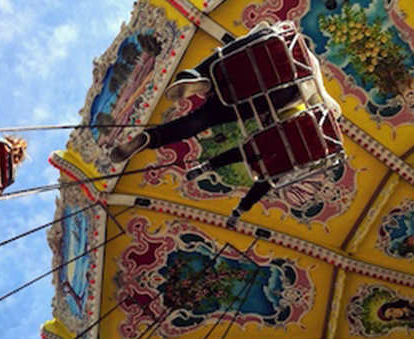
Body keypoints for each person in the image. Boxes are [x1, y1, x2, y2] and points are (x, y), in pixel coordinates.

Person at [109, 22, 340, 221]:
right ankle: (152, 139)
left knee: (218, 75)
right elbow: (331, 110)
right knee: (211, 121)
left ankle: (197, 78)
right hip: (271, 95)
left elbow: (252, 34)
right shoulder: (314, 80)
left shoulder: (279, 33)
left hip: (244, 70)